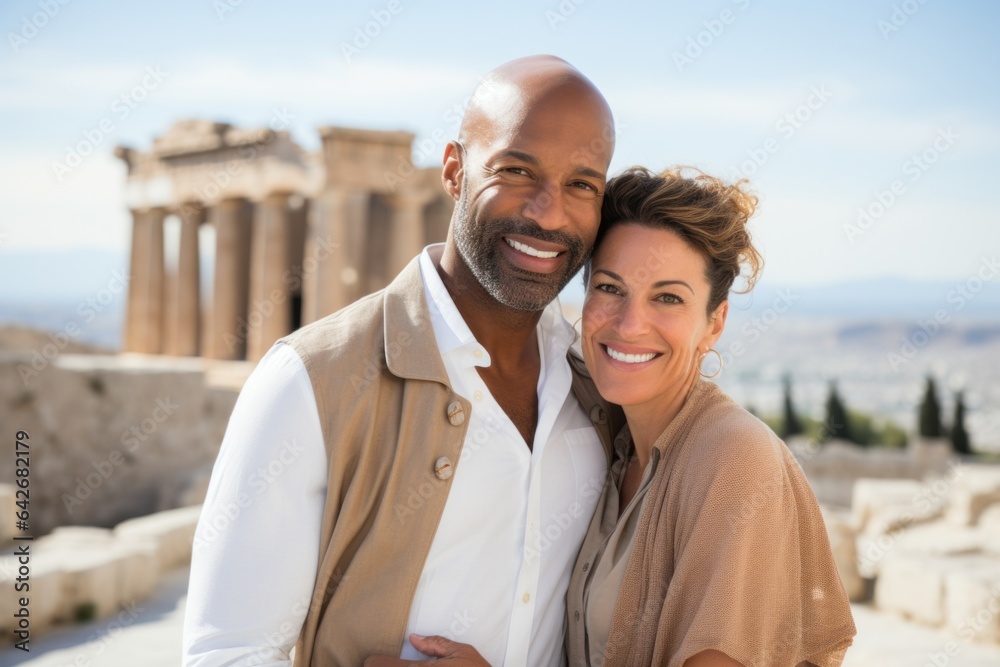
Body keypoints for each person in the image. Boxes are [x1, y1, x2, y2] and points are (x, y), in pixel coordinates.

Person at [182, 55, 625, 667]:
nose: (548, 212)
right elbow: (225, 653)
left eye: (582, 184)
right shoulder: (310, 381)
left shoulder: (601, 389)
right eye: (516, 171)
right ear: (453, 170)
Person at [403, 167, 857, 667]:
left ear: (715, 323)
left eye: (668, 298)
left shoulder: (734, 462)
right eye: (610, 287)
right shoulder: (616, 447)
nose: (628, 324)